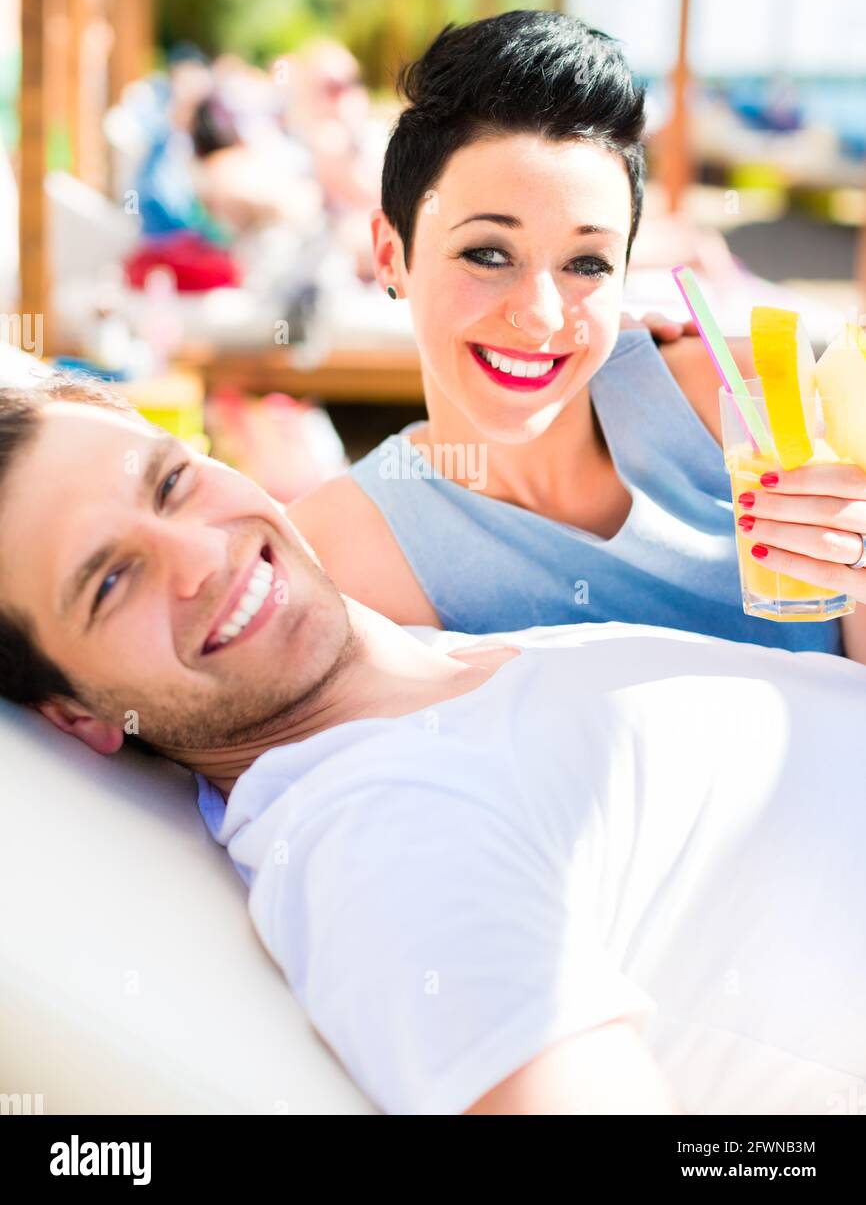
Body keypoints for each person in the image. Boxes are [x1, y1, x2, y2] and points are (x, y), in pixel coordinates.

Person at [2, 374, 866, 1116]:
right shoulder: (385, 833)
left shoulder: (439, 666)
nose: (198, 558)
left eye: (171, 484)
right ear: (77, 716)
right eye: (110, 581)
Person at [287, 12, 866, 664]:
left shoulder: (733, 397)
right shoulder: (345, 549)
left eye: (586, 264)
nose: (539, 316)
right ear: (391, 256)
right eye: (486, 252)